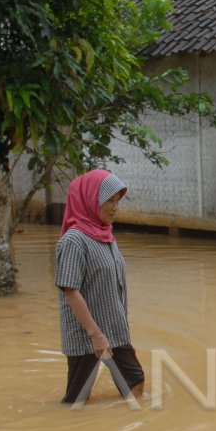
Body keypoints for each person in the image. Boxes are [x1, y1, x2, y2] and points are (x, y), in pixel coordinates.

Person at [54, 169, 145, 405]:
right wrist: (95, 335)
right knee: (77, 400)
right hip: (87, 336)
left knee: (135, 383)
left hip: (114, 330)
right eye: (109, 201)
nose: (115, 207)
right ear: (90, 200)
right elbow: (70, 290)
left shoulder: (106, 236)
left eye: (117, 201)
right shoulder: (74, 240)